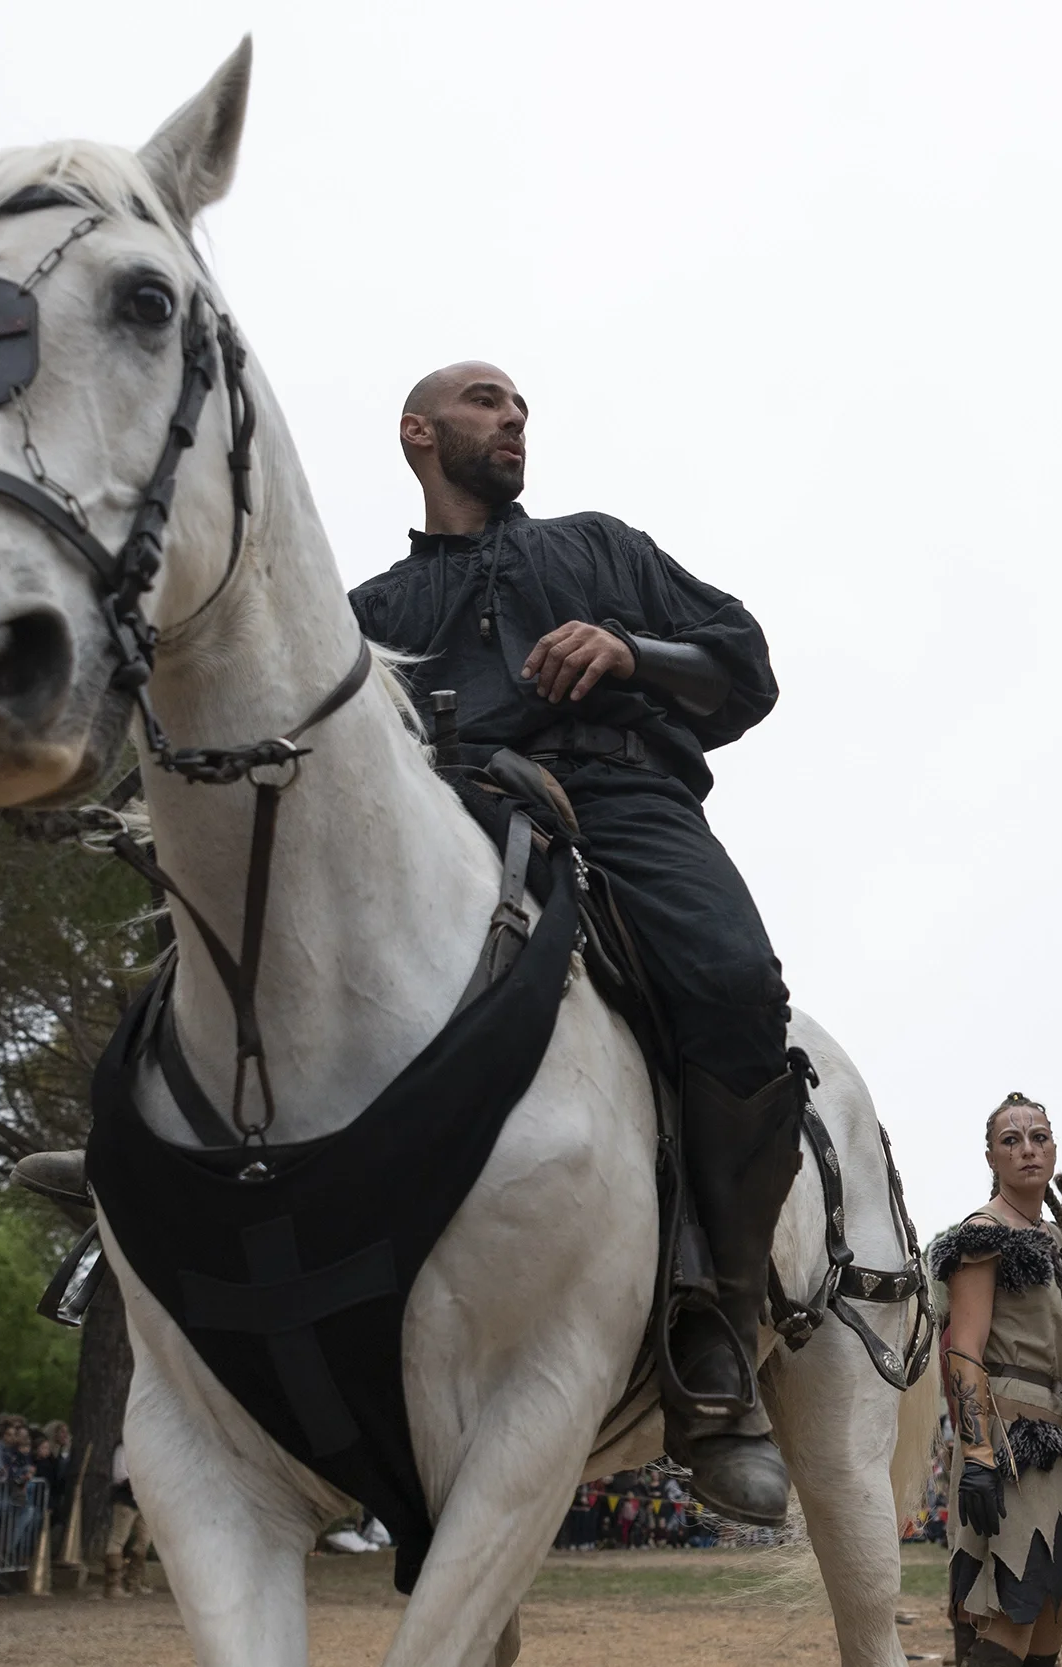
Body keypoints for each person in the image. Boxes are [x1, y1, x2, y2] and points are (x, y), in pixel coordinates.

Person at [339, 361, 795, 1523]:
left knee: (738, 985)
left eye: (522, 407)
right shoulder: (367, 614)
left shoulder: (597, 547)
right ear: (419, 432)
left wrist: (632, 652)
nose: (513, 418)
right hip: (441, 828)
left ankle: (716, 1341)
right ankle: (158, 1207)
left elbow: (746, 665)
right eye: (486, 401)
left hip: (618, 803)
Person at [932, 1093, 1062, 1667]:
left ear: (1053, 1150)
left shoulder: (1056, 1240)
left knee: (1050, 1623)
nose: (1027, 1149)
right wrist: (978, 1453)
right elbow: (966, 1351)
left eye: (1038, 1138)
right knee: (1011, 1621)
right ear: (991, 1157)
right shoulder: (983, 1232)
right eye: (1011, 1140)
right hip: (1008, 1440)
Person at [104, 1440, 153, 1599]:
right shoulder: (123, 1449)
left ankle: (133, 1581)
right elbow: (121, 1475)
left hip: (144, 1500)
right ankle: (113, 1584)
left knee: (144, 1541)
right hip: (126, 1499)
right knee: (118, 1539)